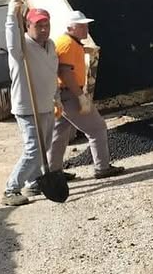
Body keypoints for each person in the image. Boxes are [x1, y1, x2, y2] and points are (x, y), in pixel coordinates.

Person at [49, 11, 125, 181]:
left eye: (86, 25)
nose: (86, 29)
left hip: (61, 96)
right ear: (70, 27)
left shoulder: (69, 42)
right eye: (81, 26)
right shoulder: (67, 44)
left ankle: (53, 173)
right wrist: (80, 96)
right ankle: (102, 168)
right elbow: (65, 72)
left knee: (58, 135)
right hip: (69, 95)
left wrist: (83, 49)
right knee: (97, 128)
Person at [1, 0, 59, 206]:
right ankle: (11, 189)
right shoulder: (21, 49)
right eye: (38, 25)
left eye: (46, 25)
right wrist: (11, 14)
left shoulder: (50, 45)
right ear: (27, 26)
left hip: (46, 105)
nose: (43, 29)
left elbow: (52, 74)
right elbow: (11, 41)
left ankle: (33, 182)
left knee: (44, 147)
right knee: (34, 150)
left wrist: (57, 99)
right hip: (28, 107)